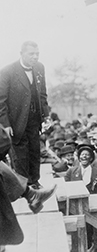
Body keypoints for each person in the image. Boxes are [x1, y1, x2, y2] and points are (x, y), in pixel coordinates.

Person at [0, 41, 49, 188]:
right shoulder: (7, 72)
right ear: (21, 54)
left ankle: (34, 181)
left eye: (37, 54)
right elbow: (1, 101)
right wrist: (6, 124)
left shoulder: (40, 68)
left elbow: (42, 94)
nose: (35, 57)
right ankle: (24, 187)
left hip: (34, 119)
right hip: (16, 121)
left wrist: (45, 116)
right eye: (31, 54)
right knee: (20, 154)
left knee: (35, 150)